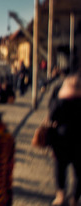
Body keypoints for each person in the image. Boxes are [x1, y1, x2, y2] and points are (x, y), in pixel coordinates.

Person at [49, 72, 81, 206]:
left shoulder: (60, 95)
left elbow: (52, 115)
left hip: (62, 138)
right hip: (75, 139)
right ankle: (73, 198)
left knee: (61, 169)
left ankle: (62, 196)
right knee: (79, 171)